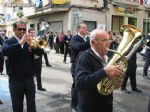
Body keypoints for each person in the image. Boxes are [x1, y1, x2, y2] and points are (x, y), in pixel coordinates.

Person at [75, 29, 123, 112]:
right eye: (104, 40)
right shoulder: (84, 57)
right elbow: (80, 83)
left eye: (109, 40)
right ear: (93, 42)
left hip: (106, 104)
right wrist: (105, 71)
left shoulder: (107, 57)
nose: (108, 43)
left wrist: (117, 81)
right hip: (90, 107)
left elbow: (108, 82)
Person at [1, 21, 41, 112]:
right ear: (14, 30)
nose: (23, 31)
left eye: (24, 29)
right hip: (15, 81)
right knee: (17, 107)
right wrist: (21, 43)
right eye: (20, 29)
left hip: (29, 80)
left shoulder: (29, 41)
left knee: (32, 106)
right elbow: (5, 51)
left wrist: (35, 46)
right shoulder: (8, 41)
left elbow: (39, 53)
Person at [70, 23, 90, 112]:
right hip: (76, 65)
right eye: (84, 28)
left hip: (86, 64)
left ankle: (82, 102)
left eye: (86, 28)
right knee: (76, 85)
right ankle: (74, 105)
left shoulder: (87, 38)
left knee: (85, 85)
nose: (86, 29)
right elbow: (78, 47)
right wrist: (90, 41)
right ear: (79, 29)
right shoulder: (74, 38)